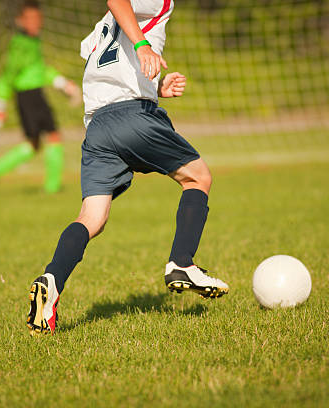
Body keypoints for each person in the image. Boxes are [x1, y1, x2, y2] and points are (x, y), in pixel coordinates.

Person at [26, 0, 229, 335]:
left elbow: (110, 66)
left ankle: (51, 280)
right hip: (132, 116)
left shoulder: (101, 28)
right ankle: (182, 262)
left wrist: (156, 88)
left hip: (98, 128)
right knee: (198, 176)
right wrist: (143, 44)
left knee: (92, 218)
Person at [0, 0, 81, 195]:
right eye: (30, 19)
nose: (35, 23)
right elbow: (9, 73)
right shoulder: (19, 43)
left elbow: (40, 69)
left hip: (34, 94)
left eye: (38, 18)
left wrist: (62, 83)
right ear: (20, 21)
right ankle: (52, 188)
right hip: (28, 95)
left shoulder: (33, 41)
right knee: (52, 136)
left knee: (34, 143)